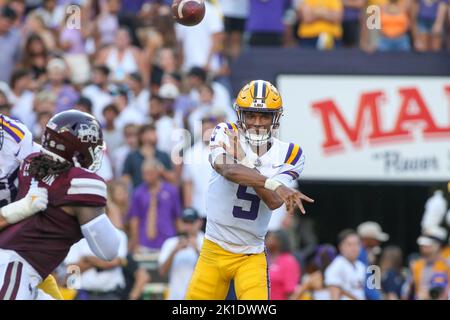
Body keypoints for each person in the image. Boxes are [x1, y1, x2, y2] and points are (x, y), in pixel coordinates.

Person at [185, 80, 314, 300]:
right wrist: (272, 182)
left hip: (251, 253)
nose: (257, 122)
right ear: (240, 115)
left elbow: (273, 201)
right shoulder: (225, 131)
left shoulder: (291, 153)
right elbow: (227, 169)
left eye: (264, 116)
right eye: (251, 114)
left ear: (275, 118)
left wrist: (244, 161)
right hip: (213, 248)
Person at [0, 110, 120, 299]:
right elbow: (109, 249)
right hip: (13, 268)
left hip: (22, 268)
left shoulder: (30, 162)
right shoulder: (80, 182)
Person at [158, 207, 204, 300]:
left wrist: (196, 249)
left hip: (199, 296)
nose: (188, 226)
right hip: (175, 297)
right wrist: (175, 251)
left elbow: (211, 269)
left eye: (191, 222)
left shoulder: (206, 241)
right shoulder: (170, 243)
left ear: (199, 222)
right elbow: (162, 272)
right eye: (185, 222)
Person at [324, 229, 366, 300]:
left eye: (357, 244)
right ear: (341, 247)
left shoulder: (361, 266)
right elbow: (334, 296)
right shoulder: (336, 266)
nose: (354, 248)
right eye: (350, 244)